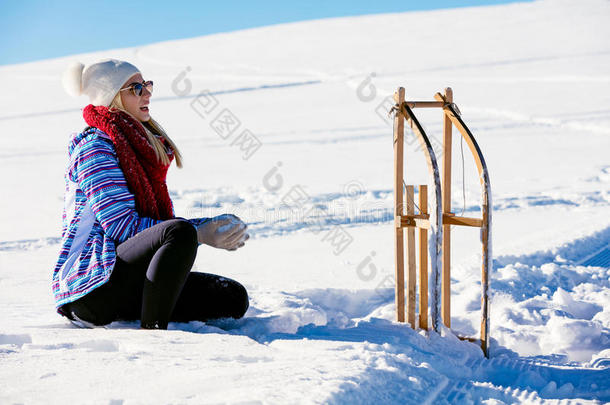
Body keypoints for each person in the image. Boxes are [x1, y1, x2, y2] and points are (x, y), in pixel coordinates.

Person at [53, 58, 250, 329]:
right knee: (178, 233)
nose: (147, 93)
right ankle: (154, 339)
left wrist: (209, 228)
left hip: (126, 280)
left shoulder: (136, 147)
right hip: (91, 288)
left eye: (147, 85)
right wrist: (199, 233)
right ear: (112, 97)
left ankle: (151, 312)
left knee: (231, 297)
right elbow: (123, 227)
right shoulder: (95, 149)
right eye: (136, 88)